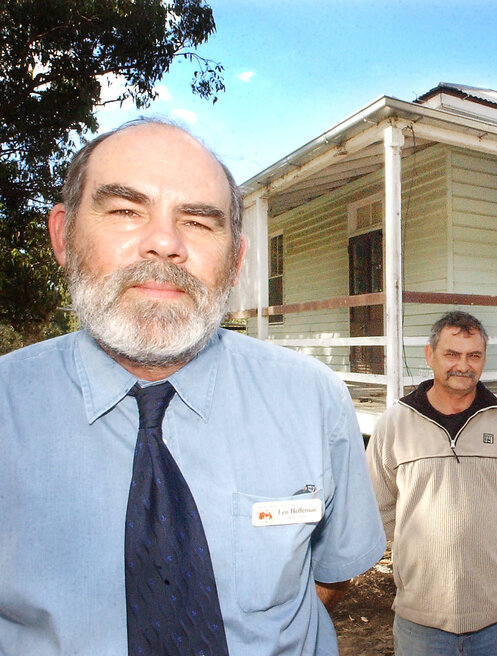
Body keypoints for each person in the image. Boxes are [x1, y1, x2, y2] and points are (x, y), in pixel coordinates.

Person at [0, 119, 385, 656]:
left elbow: (329, 576)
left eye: (199, 222)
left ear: (235, 262)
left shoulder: (316, 400)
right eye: (126, 211)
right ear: (64, 236)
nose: (164, 242)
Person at [366, 310, 497, 655]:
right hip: (421, 617)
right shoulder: (394, 424)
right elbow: (377, 510)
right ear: (430, 355)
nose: (463, 365)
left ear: (484, 359)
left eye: (474, 355)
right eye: (451, 354)